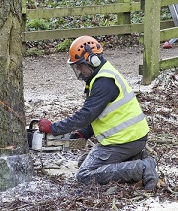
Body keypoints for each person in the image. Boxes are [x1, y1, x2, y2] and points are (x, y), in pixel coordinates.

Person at [39, 36, 158, 191]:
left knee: (84, 175)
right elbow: (100, 114)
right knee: (84, 162)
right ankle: (134, 158)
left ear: (92, 60)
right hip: (131, 138)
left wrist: (53, 128)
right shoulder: (102, 76)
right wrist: (84, 133)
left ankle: (142, 168)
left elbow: (86, 115)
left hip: (124, 140)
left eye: (80, 66)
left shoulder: (104, 82)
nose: (80, 71)